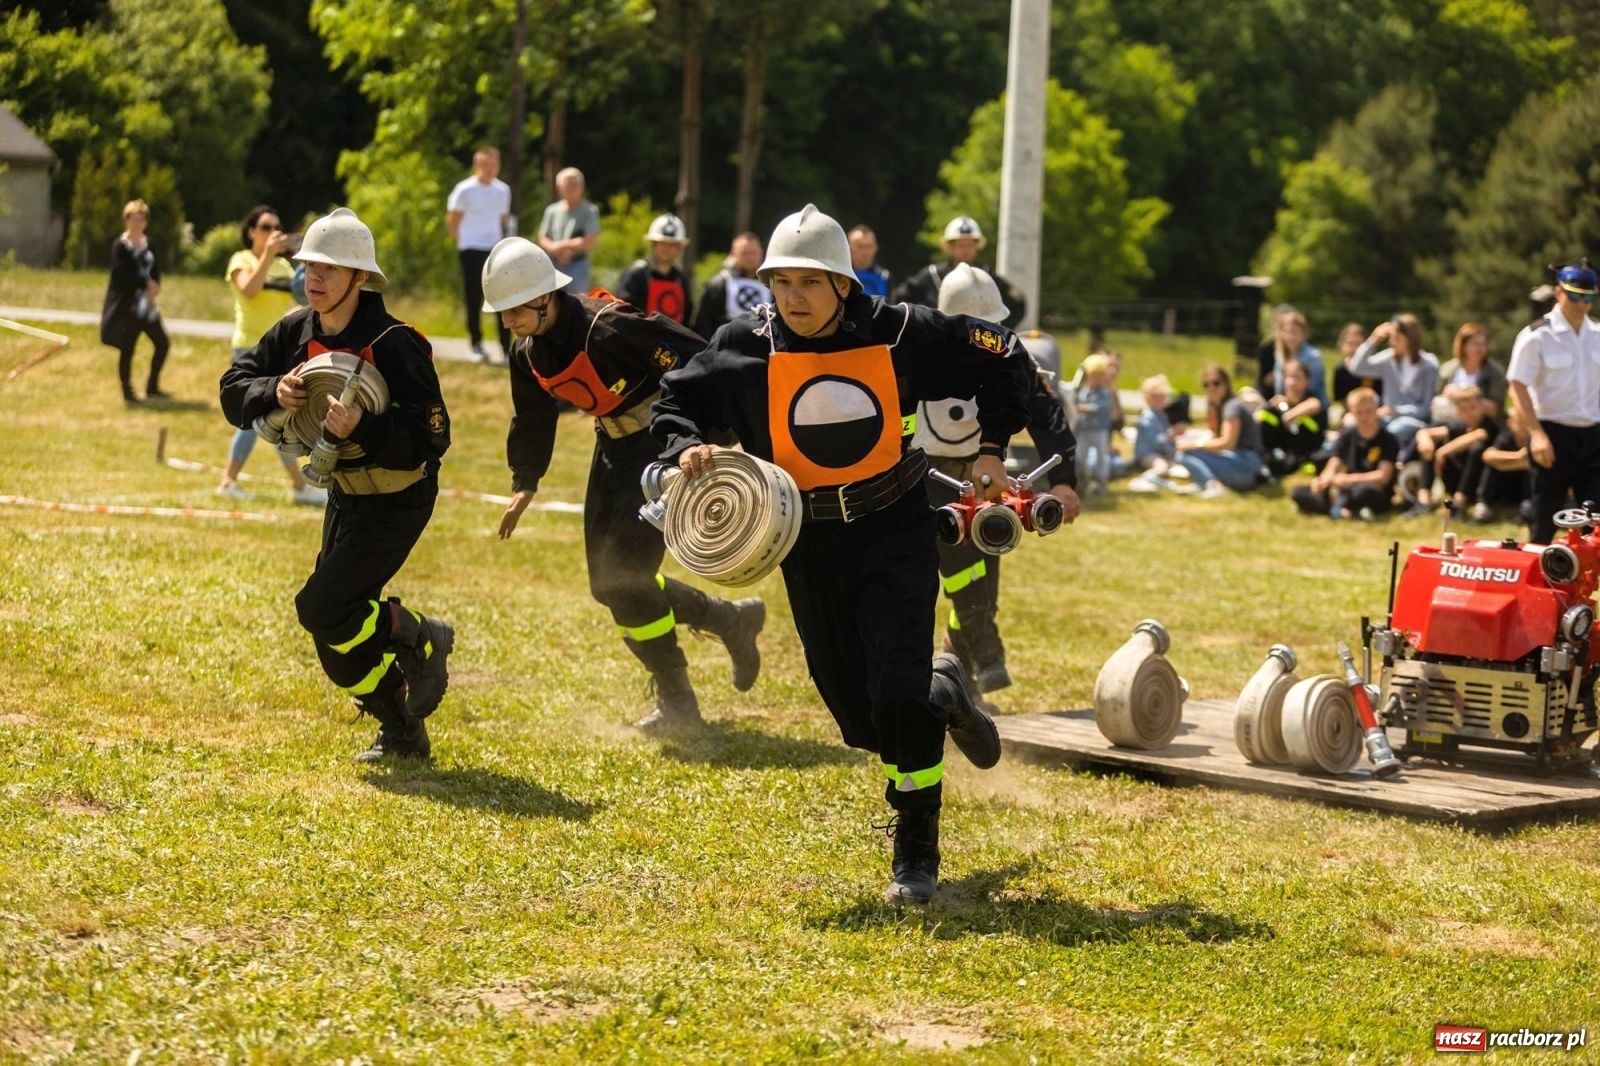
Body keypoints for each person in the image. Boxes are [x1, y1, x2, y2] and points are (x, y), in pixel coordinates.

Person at [652, 205, 1030, 905]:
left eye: (808, 282)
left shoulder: (902, 331)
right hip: (806, 540)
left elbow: (1003, 354)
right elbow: (674, 400)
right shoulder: (744, 343)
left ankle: (915, 848)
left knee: (897, 695)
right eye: (781, 282)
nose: (792, 298)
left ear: (843, 285)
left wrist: (992, 447)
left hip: (896, 527)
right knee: (856, 713)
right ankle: (943, 691)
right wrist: (686, 447)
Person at [481, 237, 764, 729]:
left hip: (662, 448)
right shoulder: (526, 351)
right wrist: (525, 481)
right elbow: (532, 415)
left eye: (514, 309)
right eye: (500, 312)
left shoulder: (611, 326)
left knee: (627, 579)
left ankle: (680, 703)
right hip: (612, 448)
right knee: (607, 583)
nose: (507, 321)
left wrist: (715, 438)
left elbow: (699, 361)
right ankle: (727, 619)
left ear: (545, 296)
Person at [219, 208, 454, 762]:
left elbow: (434, 437)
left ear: (360, 276)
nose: (314, 277)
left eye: (330, 267)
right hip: (346, 495)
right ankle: (402, 731)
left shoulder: (395, 341)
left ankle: (417, 632)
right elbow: (233, 387)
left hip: (399, 498)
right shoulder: (295, 330)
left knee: (322, 608)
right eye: (309, 266)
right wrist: (273, 390)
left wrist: (365, 427)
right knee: (334, 640)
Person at [916, 263, 1080, 699]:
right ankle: (987, 651)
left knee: (984, 583)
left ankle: (956, 660)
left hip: (986, 478)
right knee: (960, 571)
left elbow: (1048, 416)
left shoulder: (1013, 359)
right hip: (928, 475)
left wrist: (1064, 481)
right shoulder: (917, 351)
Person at [216, 205, 328, 506]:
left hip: (276, 350)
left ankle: (297, 486)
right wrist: (267, 255)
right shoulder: (241, 260)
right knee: (256, 418)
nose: (273, 232)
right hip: (248, 348)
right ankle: (230, 481)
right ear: (251, 231)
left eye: (277, 227)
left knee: (278, 418)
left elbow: (299, 301)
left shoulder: (283, 267)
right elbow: (249, 291)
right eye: (266, 227)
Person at [1507, 258, 1600, 544]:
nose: (1581, 304)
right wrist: (1536, 434)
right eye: (1574, 296)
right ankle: (1539, 572)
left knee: (1595, 524)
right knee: (1544, 519)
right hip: (1552, 435)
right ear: (1558, 292)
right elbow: (1517, 385)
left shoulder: (1598, 334)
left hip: (1593, 435)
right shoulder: (1537, 335)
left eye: (1588, 298)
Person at [892, 216, 1026, 328]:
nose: (965, 250)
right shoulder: (932, 274)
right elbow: (900, 298)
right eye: (961, 245)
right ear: (950, 246)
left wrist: (1000, 331)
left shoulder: (986, 275)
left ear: (977, 246)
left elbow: (1017, 302)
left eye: (970, 245)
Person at [446, 146, 513, 362]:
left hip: (494, 249)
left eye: (493, 165)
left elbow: (502, 219)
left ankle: (506, 348)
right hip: (471, 248)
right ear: (477, 165)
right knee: (474, 298)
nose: (489, 169)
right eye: (485, 165)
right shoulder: (464, 189)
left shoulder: (503, 190)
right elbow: (453, 221)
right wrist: (464, 241)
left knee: (501, 298)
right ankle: (476, 344)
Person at [100, 199, 170, 405]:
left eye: (141, 219)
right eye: (133, 219)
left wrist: (155, 287)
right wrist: (146, 283)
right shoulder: (121, 246)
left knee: (162, 343)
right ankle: (127, 391)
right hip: (127, 305)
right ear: (126, 220)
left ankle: (152, 386)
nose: (137, 223)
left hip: (147, 304)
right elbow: (123, 275)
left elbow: (155, 270)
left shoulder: (149, 244)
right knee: (127, 347)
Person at [1291, 387, 1397, 520]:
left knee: (1364, 492)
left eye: (1368, 412)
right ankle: (1345, 510)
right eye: (1359, 412)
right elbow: (1334, 462)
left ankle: (1335, 507)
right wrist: (1324, 480)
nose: (1364, 417)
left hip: (1371, 488)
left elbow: (1383, 477)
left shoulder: (1388, 439)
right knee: (1298, 491)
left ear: (1376, 410)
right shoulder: (1347, 434)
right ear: (1352, 412)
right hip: (1346, 488)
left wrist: (1348, 479)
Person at [1401, 384, 1499, 518]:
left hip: (1480, 484)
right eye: (1464, 409)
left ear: (1481, 406)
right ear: (1457, 411)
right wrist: (1426, 442)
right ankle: (1424, 501)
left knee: (1476, 448)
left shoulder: (1489, 425)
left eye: (1473, 407)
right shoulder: (1460, 426)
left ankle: (1459, 503)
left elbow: (1477, 435)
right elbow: (1424, 432)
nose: (1469, 413)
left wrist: (1443, 451)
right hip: (1456, 479)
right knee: (1429, 446)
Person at [1170, 366, 1265, 498]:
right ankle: (1202, 484)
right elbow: (1214, 436)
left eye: (1216, 383)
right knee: (1187, 451)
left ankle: (1212, 484)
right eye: (1206, 385)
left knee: (1183, 455)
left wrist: (1195, 444)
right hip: (1243, 464)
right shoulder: (1220, 406)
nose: (1211, 388)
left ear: (1226, 384)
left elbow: (1227, 443)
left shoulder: (1232, 407)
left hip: (1245, 465)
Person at [1347, 314, 1440, 447]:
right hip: (1386, 419)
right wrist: (1372, 341)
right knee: (1352, 423)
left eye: (1396, 338)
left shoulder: (1429, 365)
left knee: (1396, 429)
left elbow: (1425, 409)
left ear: (1410, 338)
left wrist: (1397, 411)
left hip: (1413, 422)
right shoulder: (1389, 359)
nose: (1392, 342)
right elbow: (1356, 368)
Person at [617, 213, 693, 326]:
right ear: (653, 244)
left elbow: (687, 315)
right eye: (662, 243)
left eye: (672, 245)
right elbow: (622, 312)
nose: (667, 248)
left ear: (679, 248)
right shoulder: (637, 274)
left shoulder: (681, 279)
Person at [1256, 358, 1327, 477]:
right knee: (1268, 414)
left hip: (1305, 449)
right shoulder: (1279, 402)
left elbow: (1314, 405)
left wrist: (1288, 414)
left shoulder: (1311, 400)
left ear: (1307, 381)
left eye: (1297, 377)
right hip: (1282, 445)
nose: (1292, 382)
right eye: (1289, 377)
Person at [693, 231, 770, 338]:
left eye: (753, 253)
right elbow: (703, 324)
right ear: (734, 254)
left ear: (761, 253)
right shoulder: (719, 284)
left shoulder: (770, 285)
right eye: (744, 253)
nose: (750, 258)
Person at [537, 167, 600, 295]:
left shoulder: (589, 211)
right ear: (559, 187)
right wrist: (555, 250)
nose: (570, 188)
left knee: (577, 301)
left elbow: (590, 241)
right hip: (553, 264)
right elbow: (543, 238)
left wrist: (561, 246)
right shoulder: (552, 211)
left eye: (574, 184)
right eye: (566, 184)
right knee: (551, 300)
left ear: (582, 187)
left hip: (577, 265)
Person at [1256, 309, 1329, 414]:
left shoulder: (1313, 357)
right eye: (1286, 331)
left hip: (1311, 407)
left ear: (1303, 334)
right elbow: (1279, 387)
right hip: (1285, 404)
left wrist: (1289, 400)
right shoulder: (1279, 354)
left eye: (1294, 332)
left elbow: (1312, 388)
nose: (1290, 336)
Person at [1468, 408, 1532, 523]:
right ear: (1510, 423)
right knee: (1492, 466)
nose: (1522, 426)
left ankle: (1527, 509)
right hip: (1505, 486)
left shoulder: (1534, 439)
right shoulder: (1506, 437)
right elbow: (1487, 456)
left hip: (1527, 488)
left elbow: (1532, 465)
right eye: (1519, 421)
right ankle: (1483, 508)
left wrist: (1504, 465)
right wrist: (1517, 456)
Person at [1434, 322, 1507, 420]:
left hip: (1483, 423)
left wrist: (1462, 395)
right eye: (1475, 343)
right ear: (1463, 346)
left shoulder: (1494, 372)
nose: (1480, 348)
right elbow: (1436, 399)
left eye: (1483, 344)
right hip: (1449, 420)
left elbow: (1496, 409)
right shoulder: (1448, 369)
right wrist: (1446, 393)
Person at [1073, 354, 1114, 493]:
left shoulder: (1104, 392)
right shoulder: (1083, 390)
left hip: (1099, 430)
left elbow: (1102, 406)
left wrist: (1088, 408)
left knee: (1101, 456)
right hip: (1084, 429)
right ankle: (1083, 481)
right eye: (1094, 375)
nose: (1097, 378)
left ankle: (1102, 482)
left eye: (1100, 375)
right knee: (1081, 456)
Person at [1330, 320, 1377, 413]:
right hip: (1350, 411)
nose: (1354, 348)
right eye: (1350, 343)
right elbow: (1341, 398)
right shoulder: (1340, 370)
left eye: (1357, 344)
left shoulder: (1373, 367)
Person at [849, 224, 891, 299]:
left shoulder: (884, 276)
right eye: (860, 246)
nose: (865, 251)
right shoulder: (841, 275)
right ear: (849, 248)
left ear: (876, 248)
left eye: (869, 246)